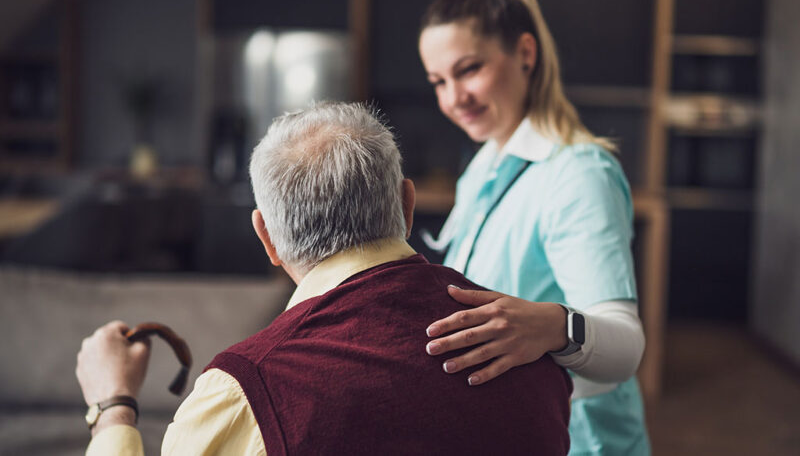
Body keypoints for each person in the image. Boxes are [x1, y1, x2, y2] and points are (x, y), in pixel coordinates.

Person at [76, 102, 573, 455]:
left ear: (266, 238)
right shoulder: (526, 348)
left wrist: (113, 407)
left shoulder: (242, 395)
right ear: (406, 203)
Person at [417, 0, 650, 454]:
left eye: (468, 70)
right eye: (438, 81)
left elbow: (626, 348)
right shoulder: (485, 164)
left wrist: (555, 326)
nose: (452, 98)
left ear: (525, 53)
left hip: (578, 438)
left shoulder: (579, 173)